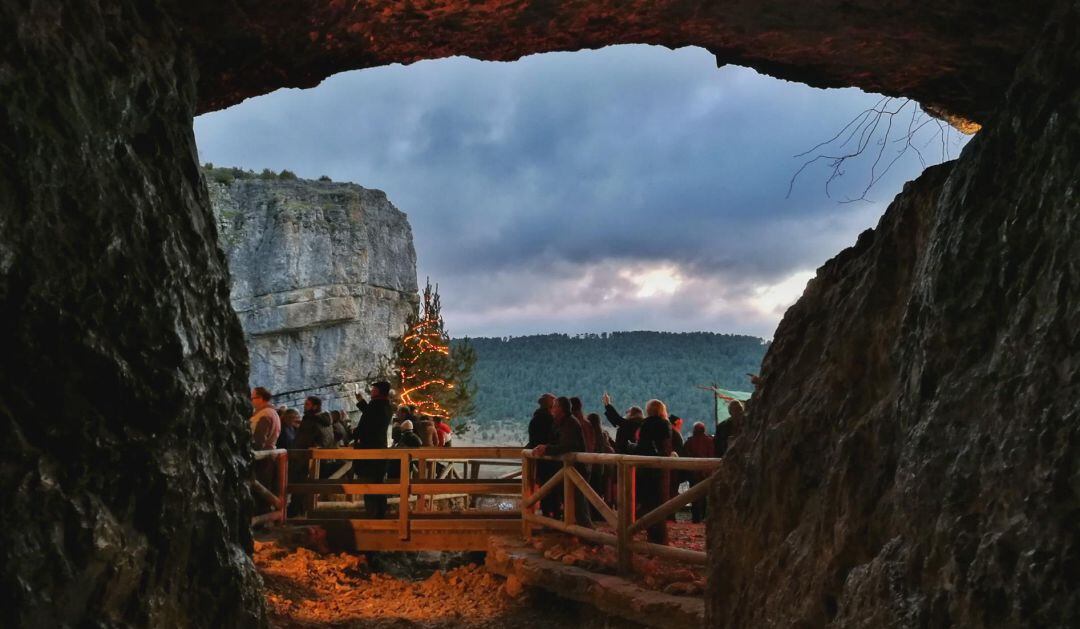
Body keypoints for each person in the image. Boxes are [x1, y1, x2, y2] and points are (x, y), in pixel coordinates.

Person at [532, 396, 591, 528]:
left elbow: (567, 445)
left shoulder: (570, 423)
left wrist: (547, 448)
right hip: (567, 470)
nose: (552, 409)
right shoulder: (559, 423)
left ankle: (589, 536)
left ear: (561, 409)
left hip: (576, 469)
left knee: (579, 506)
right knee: (570, 503)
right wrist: (545, 447)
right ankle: (576, 533)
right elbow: (556, 442)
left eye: (555, 406)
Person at [631, 398, 674, 544]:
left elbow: (643, 446)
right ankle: (660, 539)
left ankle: (649, 535)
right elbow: (665, 446)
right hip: (660, 469)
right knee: (659, 504)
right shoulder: (665, 424)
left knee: (648, 504)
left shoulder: (645, 424)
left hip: (645, 468)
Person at [351, 381, 394, 518]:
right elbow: (370, 414)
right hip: (380, 448)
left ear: (378, 391)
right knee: (378, 482)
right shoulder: (385, 405)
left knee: (369, 483)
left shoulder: (377, 406)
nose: (371, 391)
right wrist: (361, 400)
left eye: (374, 389)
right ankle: (380, 512)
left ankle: (373, 515)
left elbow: (368, 424)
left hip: (369, 450)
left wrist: (355, 433)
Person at [527, 394, 559, 518]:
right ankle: (554, 516)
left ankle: (546, 515)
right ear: (549, 404)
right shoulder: (550, 420)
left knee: (544, 487)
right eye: (554, 403)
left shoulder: (535, 419)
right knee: (553, 488)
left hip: (540, 459)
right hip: (550, 460)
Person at [683, 422, 715, 523]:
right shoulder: (710, 441)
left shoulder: (689, 442)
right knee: (704, 496)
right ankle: (704, 516)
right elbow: (712, 455)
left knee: (694, 496)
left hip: (694, 473)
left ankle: (696, 518)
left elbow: (686, 456)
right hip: (706, 473)